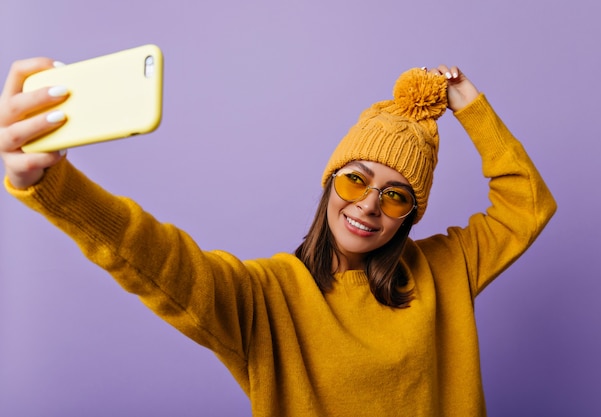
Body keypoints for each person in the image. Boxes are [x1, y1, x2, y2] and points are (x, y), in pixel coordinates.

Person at [0, 57, 557, 416]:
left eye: (395, 194)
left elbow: (527, 203)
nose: (367, 204)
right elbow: (157, 258)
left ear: (411, 213)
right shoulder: (265, 298)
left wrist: (473, 110)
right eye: (355, 178)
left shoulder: (444, 269)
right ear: (329, 182)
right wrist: (55, 185)